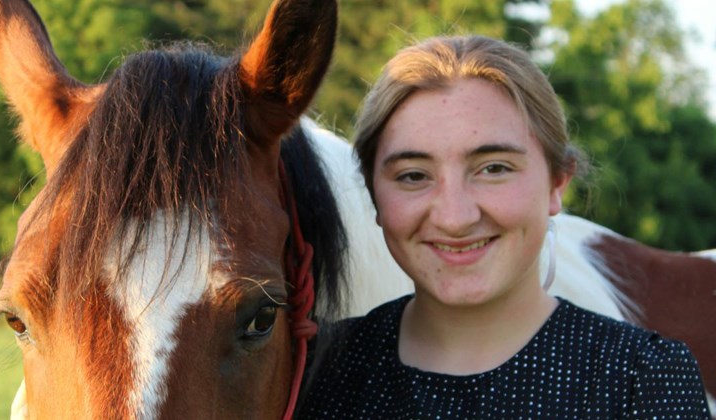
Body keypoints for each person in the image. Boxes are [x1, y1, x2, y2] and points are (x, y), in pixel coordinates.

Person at [297, 35, 711, 418]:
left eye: (494, 169)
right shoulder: (316, 375)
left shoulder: (644, 380)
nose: (454, 217)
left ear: (557, 183)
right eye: (413, 175)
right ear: (374, 196)